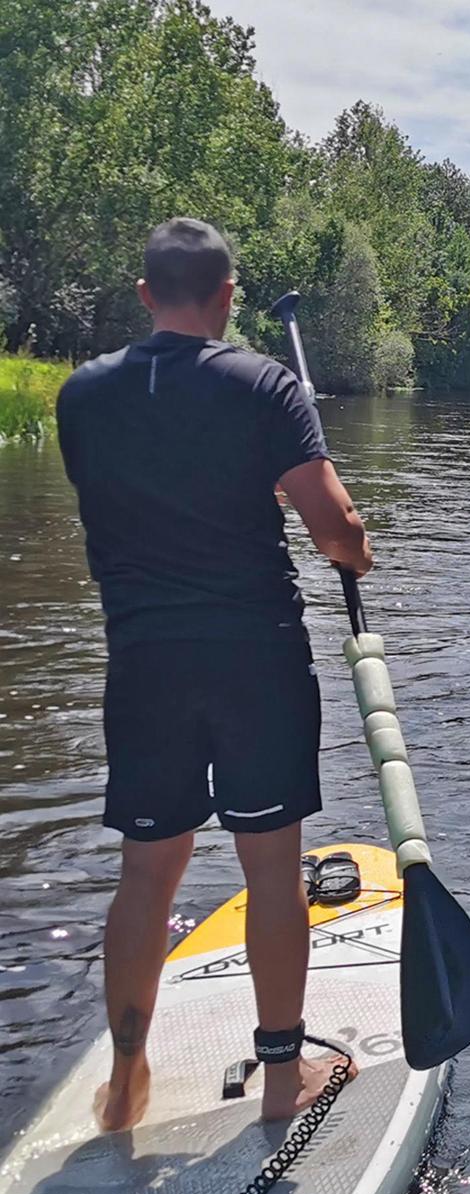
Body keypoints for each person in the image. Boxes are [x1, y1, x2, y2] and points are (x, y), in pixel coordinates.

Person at [56, 217, 372, 1131]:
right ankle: (282, 1085)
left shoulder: (80, 397)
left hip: (142, 660)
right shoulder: (265, 385)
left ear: (146, 294)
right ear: (229, 298)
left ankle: (124, 1085)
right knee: (272, 869)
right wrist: (357, 544)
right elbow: (333, 530)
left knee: (145, 872)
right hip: (255, 659)